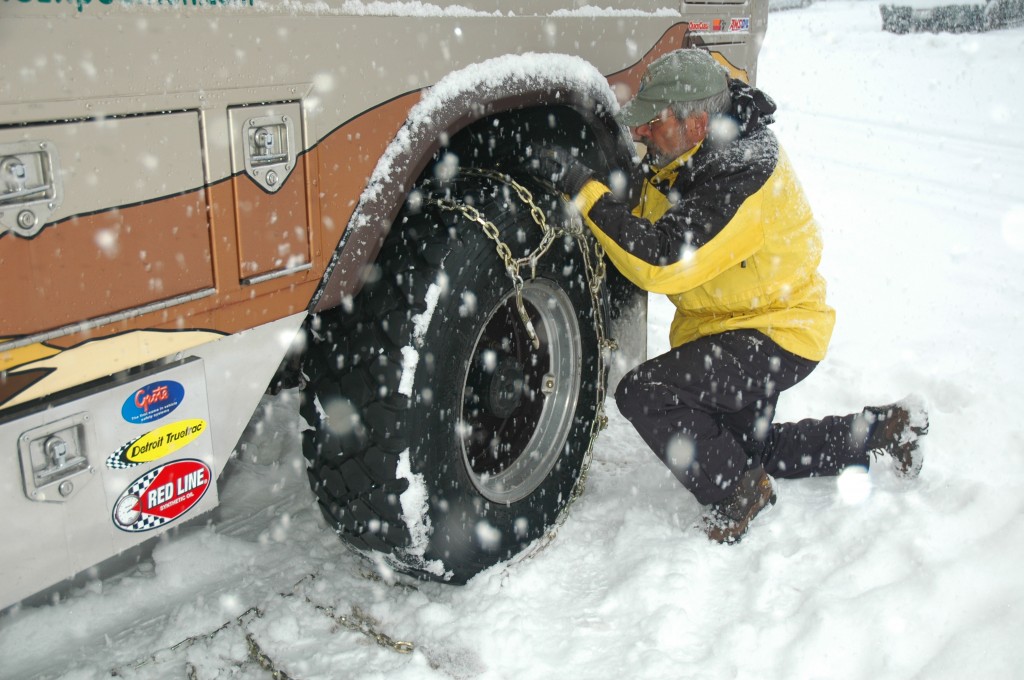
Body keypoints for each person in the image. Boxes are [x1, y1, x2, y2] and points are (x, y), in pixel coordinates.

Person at [524, 49, 929, 544]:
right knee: (745, 449)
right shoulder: (699, 147)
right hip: (738, 324)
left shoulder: (742, 177)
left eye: (653, 122)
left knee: (646, 393)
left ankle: (738, 493)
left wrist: (583, 192)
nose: (640, 132)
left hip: (775, 333)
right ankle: (884, 429)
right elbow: (655, 209)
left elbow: (662, 259)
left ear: (695, 123)